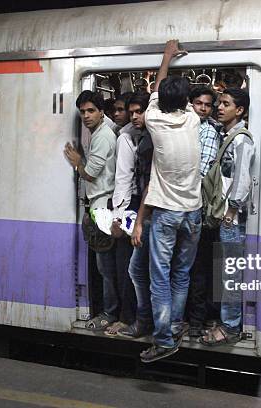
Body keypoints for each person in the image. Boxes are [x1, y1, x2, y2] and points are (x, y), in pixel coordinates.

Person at [138, 40, 203, 363]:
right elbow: (172, 95)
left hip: (166, 211)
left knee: (159, 276)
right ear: (186, 102)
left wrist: (165, 57)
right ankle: (175, 325)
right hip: (194, 212)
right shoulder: (193, 120)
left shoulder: (153, 120)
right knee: (182, 272)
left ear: (159, 100)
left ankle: (163, 339)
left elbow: (159, 89)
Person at [201, 88, 255, 346]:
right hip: (226, 218)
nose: (219, 108)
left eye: (225, 104)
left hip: (231, 220)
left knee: (230, 276)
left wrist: (231, 213)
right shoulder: (229, 136)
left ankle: (230, 327)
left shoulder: (241, 140)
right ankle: (227, 323)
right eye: (219, 103)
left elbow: (242, 180)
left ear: (240, 110)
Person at [64, 90, 121, 332]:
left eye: (91, 111)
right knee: (105, 265)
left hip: (102, 207)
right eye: (83, 112)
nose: (86, 116)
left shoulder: (102, 136)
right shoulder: (104, 128)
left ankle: (109, 313)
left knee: (105, 268)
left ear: (100, 112)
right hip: (102, 205)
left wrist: (77, 162)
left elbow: (90, 173)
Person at [116, 92, 155, 338]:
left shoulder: (155, 136)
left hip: (148, 204)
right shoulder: (128, 136)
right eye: (131, 112)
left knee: (137, 267)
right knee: (131, 265)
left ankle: (139, 319)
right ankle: (130, 316)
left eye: (139, 111)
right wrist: (120, 215)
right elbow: (124, 177)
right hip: (134, 203)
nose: (134, 117)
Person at [186, 86, 221, 337]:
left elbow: (200, 173)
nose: (203, 108)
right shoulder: (188, 126)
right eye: (198, 103)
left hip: (197, 207)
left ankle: (197, 322)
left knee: (197, 269)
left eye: (207, 105)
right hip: (188, 205)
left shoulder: (208, 132)